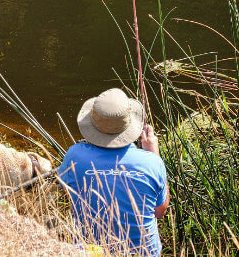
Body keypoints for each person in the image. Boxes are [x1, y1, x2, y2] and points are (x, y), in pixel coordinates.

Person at [57, 88, 170, 255]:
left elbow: (69, 193)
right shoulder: (152, 162)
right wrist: (153, 153)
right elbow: (159, 212)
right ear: (129, 125)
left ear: (92, 124)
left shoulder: (74, 155)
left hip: (90, 252)